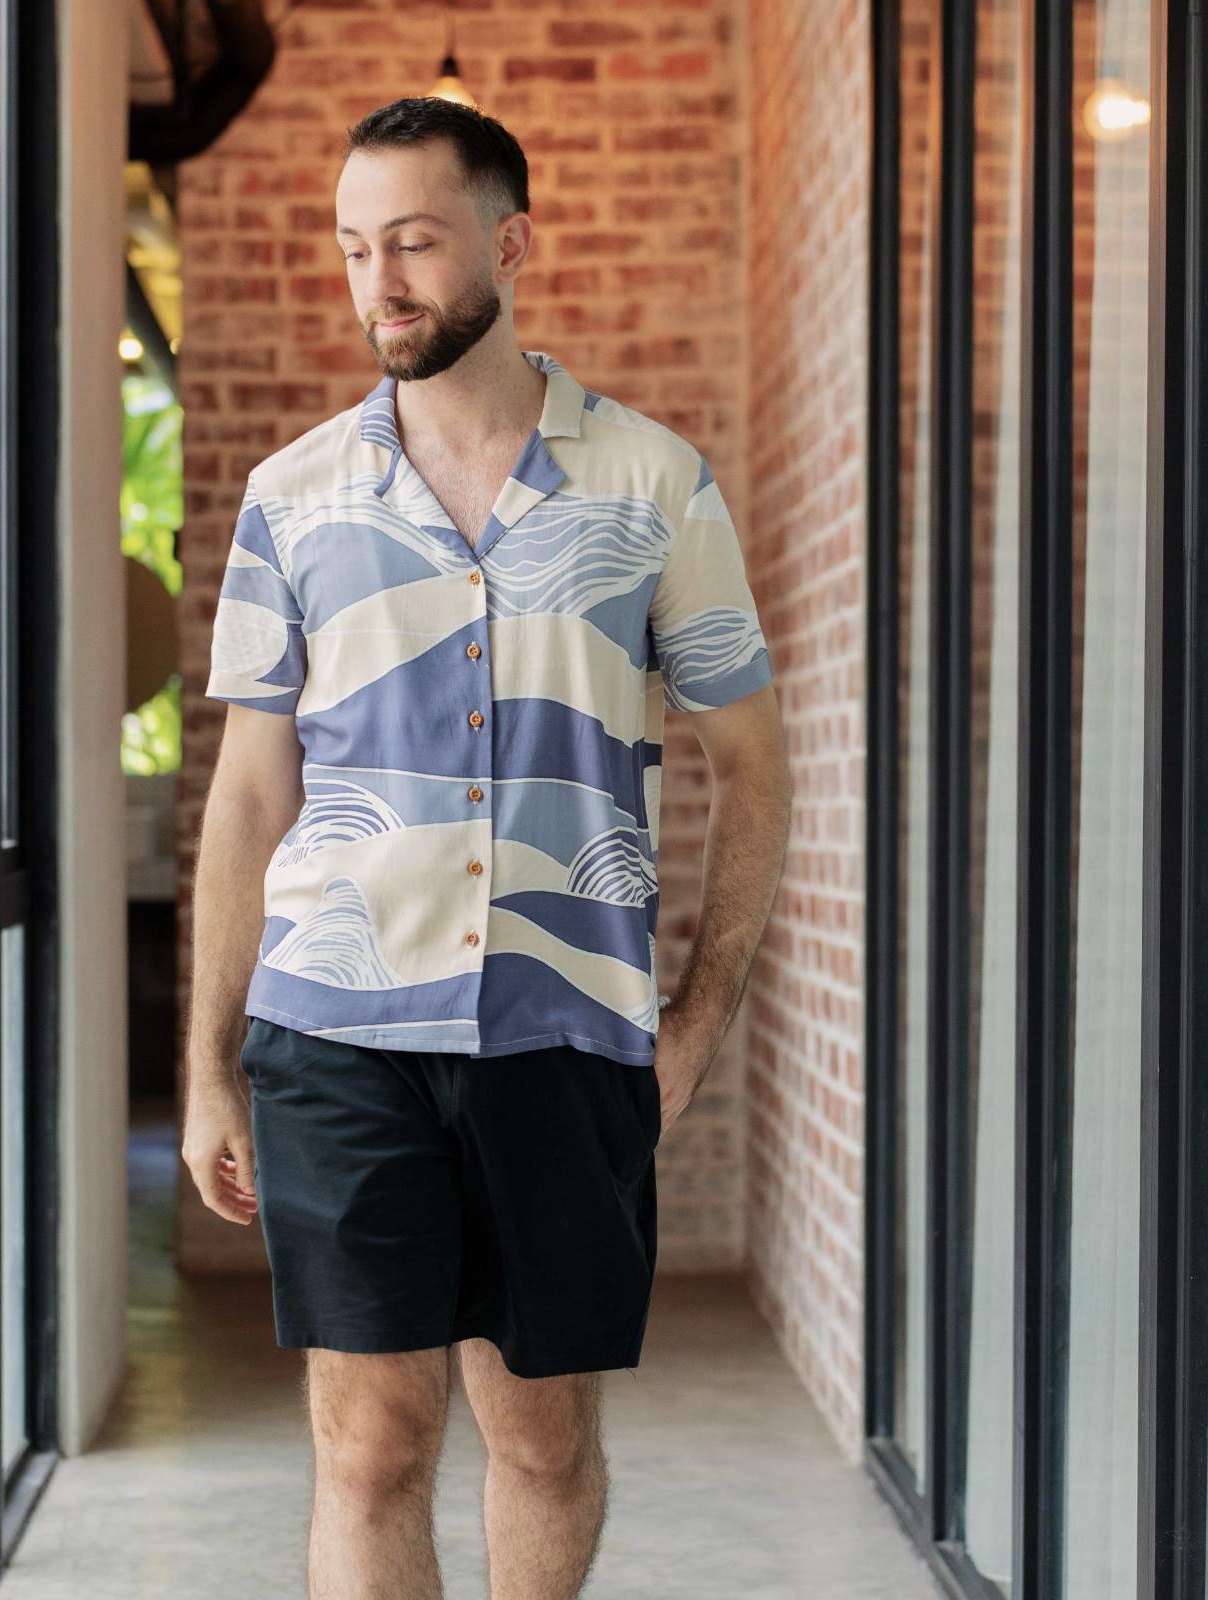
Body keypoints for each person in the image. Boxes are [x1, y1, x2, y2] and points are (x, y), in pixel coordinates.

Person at [184, 94, 792, 1600]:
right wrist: (209, 1064)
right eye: (351, 249)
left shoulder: (653, 485)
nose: (376, 282)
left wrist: (697, 1025)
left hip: (564, 1030)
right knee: (369, 1447)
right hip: (333, 1031)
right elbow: (250, 793)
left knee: (538, 1442)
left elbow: (755, 764)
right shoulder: (292, 498)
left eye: (411, 243)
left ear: (508, 245)